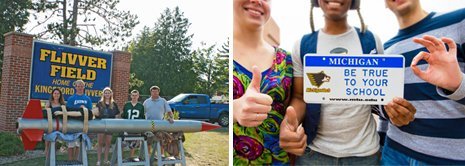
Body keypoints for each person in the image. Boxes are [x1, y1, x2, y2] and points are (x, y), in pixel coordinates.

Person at [279, 0, 416, 165]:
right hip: (314, 152)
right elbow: (300, 96)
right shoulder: (302, 45)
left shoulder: (372, 41)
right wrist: (288, 123)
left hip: (365, 153)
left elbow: (380, 94)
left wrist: (396, 110)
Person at [379, 0, 465, 164]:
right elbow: (384, 109)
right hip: (393, 153)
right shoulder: (386, 50)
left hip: (451, 159)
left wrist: (457, 85)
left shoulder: (460, 22)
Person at [232, 0, 293, 165]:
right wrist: (234, 109)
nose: (257, 1)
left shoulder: (286, 60)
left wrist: (293, 130)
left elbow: (293, 108)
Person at [65, 79, 93, 161]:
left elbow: (90, 110)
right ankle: (70, 161)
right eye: (78, 86)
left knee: (78, 144)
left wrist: (84, 109)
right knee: (71, 144)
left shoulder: (87, 99)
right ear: (75, 87)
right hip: (72, 123)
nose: (80, 87)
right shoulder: (71, 98)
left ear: (84, 87)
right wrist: (78, 109)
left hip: (82, 124)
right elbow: (68, 110)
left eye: (81, 86)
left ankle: (76, 161)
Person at [143, 86, 174, 157]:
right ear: (150, 92)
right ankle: (148, 154)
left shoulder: (163, 101)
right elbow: (142, 112)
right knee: (149, 138)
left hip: (160, 124)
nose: (155, 93)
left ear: (158, 92)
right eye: (153, 92)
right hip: (149, 124)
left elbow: (169, 111)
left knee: (161, 138)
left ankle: (161, 155)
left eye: (156, 91)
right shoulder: (146, 102)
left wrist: (171, 117)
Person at [94, 87, 120, 165]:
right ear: (103, 94)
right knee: (100, 143)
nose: (107, 94)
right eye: (106, 93)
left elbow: (117, 114)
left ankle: (105, 160)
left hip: (110, 126)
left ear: (111, 94)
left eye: (108, 93)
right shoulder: (99, 103)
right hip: (101, 125)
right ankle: (98, 160)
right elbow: (96, 113)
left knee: (108, 143)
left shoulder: (114, 104)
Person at [121, 90, 145, 161]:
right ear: (131, 96)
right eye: (133, 95)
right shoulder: (127, 104)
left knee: (133, 144)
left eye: (136, 95)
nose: (134, 97)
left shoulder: (141, 106)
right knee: (122, 143)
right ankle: (121, 158)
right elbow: (124, 115)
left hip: (136, 127)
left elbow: (142, 117)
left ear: (138, 96)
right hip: (127, 127)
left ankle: (130, 158)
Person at [44, 88, 66, 159]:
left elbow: (64, 116)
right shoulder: (49, 103)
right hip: (49, 125)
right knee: (47, 144)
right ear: (52, 94)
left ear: (60, 95)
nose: (56, 95)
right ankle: (47, 160)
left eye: (58, 93)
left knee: (54, 144)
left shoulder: (62, 104)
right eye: (55, 93)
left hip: (57, 126)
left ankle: (53, 160)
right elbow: (45, 115)